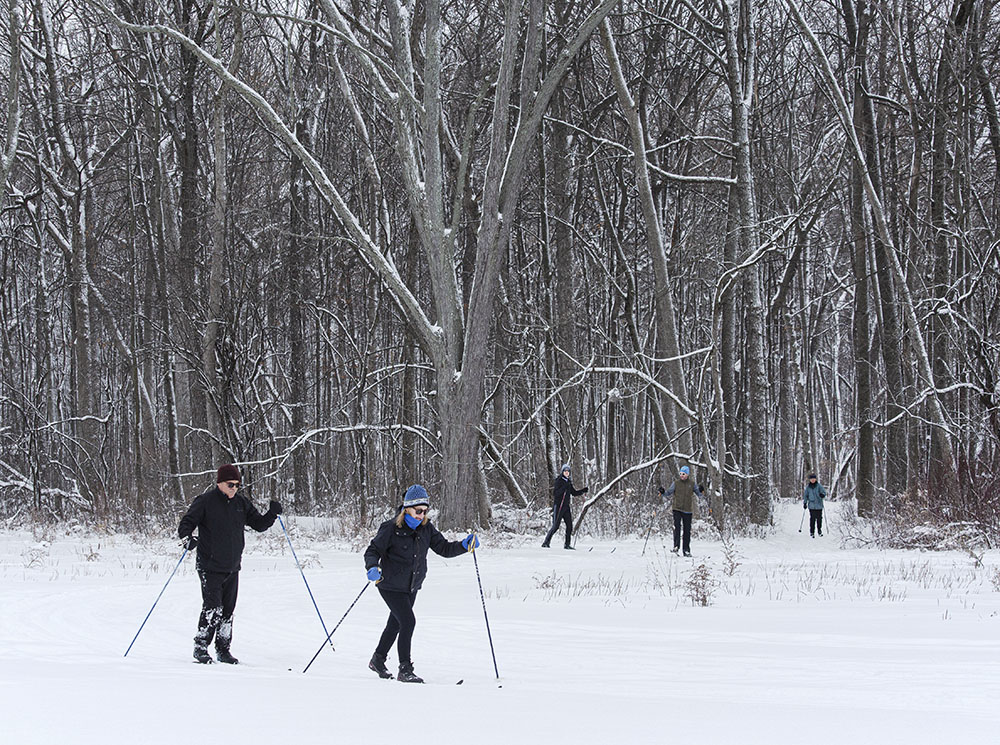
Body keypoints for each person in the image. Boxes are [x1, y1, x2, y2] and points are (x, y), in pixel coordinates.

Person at [363, 484, 479, 683]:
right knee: (408, 622)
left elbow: (443, 548)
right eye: (418, 511)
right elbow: (372, 551)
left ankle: (378, 659)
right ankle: (405, 669)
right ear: (407, 509)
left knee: (396, 623)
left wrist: (463, 545)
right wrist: (372, 567)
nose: (422, 515)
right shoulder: (391, 528)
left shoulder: (426, 528)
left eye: (425, 511)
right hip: (389, 584)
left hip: (412, 585)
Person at [178, 464, 282, 664]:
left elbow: (258, 524)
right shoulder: (205, 501)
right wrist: (187, 539)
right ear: (220, 483)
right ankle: (201, 647)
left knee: (227, 610)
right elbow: (187, 522)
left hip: (232, 566)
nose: (234, 488)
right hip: (210, 565)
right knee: (213, 607)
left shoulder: (241, 503)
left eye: (237, 485)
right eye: (230, 484)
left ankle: (223, 649)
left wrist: (272, 514)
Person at [659, 465, 702, 557]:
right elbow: (668, 493)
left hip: (687, 510)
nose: (682, 475)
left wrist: (701, 491)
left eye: (684, 474)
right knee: (677, 527)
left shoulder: (692, 484)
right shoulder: (676, 483)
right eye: (681, 473)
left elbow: (699, 494)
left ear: (687, 475)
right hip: (677, 509)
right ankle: (676, 546)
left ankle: (686, 550)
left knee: (687, 530)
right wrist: (663, 492)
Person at [541, 463, 588, 549]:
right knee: (556, 526)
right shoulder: (559, 480)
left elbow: (574, 493)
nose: (566, 472)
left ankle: (567, 544)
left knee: (569, 526)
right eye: (565, 471)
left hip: (566, 507)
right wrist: (564, 488)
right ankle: (546, 542)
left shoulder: (568, 482)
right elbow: (556, 493)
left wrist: (583, 491)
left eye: (568, 471)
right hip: (559, 506)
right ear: (562, 472)